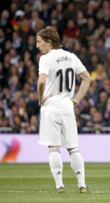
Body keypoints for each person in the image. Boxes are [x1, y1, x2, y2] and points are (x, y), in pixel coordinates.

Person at [36, 26, 92, 193]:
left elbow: (41, 81)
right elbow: (87, 78)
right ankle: (82, 185)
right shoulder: (71, 56)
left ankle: (59, 185)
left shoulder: (45, 58)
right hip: (67, 106)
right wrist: (76, 99)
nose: (37, 46)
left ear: (49, 42)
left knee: (54, 148)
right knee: (73, 148)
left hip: (51, 106)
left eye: (39, 42)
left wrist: (40, 98)